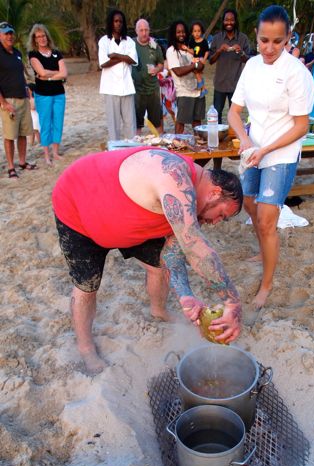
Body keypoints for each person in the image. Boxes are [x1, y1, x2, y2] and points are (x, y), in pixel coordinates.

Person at [52, 147, 243, 373]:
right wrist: (232, 302)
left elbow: (173, 254)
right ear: (214, 193)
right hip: (79, 207)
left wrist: (185, 296)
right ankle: (85, 347)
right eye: (221, 215)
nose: (215, 222)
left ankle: (158, 310)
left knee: (158, 265)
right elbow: (194, 246)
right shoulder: (175, 177)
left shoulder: (189, 204)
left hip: (128, 221)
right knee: (86, 287)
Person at [228, 5, 314, 308]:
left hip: (282, 152)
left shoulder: (296, 73)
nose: (269, 48)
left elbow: (302, 125)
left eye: (277, 41)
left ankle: (266, 286)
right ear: (257, 35)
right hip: (255, 148)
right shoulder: (251, 65)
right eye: (264, 40)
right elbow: (234, 112)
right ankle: (263, 247)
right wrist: (246, 140)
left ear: (288, 38)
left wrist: (265, 149)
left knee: (267, 219)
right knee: (250, 204)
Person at [0, 21, 36, 178]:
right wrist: (3, 103)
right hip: (9, 101)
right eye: (6, 33)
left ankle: (22, 161)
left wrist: (27, 89)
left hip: (23, 98)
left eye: (10, 33)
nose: (9, 36)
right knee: (10, 136)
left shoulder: (17, 53)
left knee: (23, 133)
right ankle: (10, 166)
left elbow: (20, 74)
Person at [28, 24, 67, 166]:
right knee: (45, 124)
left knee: (58, 122)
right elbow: (41, 72)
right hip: (43, 94)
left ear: (47, 36)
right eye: (38, 37)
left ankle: (55, 152)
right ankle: (46, 155)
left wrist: (49, 76)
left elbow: (64, 73)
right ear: (35, 40)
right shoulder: (33, 55)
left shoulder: (57, 53)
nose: (42, 39)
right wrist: (56, 73)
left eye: (43, 35)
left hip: (59, 94)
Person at [98, 9, 137, 141]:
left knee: (130, 123)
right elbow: (103, 63)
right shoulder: (104, 41)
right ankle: (115, 151)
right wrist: (123, 58)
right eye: (116, 21)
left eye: (120, 21)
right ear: (111, 23)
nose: (118, 24)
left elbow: (133, 60)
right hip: (110, 88)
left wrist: (115, 55)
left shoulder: (129, 41)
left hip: (127, 87)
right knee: (113, 125)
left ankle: (131, 151)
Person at [209, 8, 250, 124]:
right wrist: (219, 50)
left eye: (232, 20)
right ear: (223, 21)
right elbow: (211, 61)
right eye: (226, 20)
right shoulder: (217, 38)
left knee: (235, 115)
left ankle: (234, 138)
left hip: (236, 85)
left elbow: (248, 60)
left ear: (236, 21)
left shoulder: (243, 38)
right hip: (220, 83)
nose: (229, 22)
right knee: (217, 114)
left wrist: (241, 51)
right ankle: (218, 138)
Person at [166, 20, 205, 134]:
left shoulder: (189, 49)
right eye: (178, 32)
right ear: (174, 34)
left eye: (183, 32)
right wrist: (194, 66)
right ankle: (177, 145)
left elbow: (201, 66)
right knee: (180, 122)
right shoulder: (171, 51)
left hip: (197, 91)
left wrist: (197, 64)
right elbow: (178, 71)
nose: (181, 34)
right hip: (184, 92)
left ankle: (199, 145)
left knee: (197, 123)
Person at [132, 19, 164, 135]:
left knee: (157, 122)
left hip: (153, 90)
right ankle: (136, 148)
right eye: (141, 30)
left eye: (146, 30)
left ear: (149, 30)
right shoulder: (131, 44)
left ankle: (160, 147)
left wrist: (156, 69)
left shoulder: (154, 45)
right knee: (137, 123)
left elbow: (161, 63)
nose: (144, 33)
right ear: (136, 31)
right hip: (137, 90)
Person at [184, 21, 210, 97]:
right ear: (192, 33)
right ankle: (203, 88)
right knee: (196, 72)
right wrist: (187, 49)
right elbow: (192, 52)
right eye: (195, 31)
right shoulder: (191, 41)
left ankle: (201, 85)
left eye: (199, 31)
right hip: (195, 59)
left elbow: (207, 51)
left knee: (196, 71)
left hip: (201, 60)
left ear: (201, 32)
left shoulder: (204, 41)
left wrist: (204, 60)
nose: (197, 33)